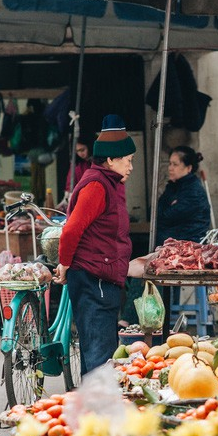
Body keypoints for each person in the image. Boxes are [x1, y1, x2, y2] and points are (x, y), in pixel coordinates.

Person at [55, 114, 135, 374]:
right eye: (128, 160)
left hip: (103, 275)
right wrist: (64, 263)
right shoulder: (97, 186)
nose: (131, 166)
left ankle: (95, 406)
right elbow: (71, 230)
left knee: (101, 349)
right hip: (93, 277)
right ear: (111, 160)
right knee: (99, 352)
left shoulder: (110, 182)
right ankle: (95, 409)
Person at [156, 146, 212, 246]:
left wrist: (167, 207)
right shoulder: (173, 186)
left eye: (175, 164)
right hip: (171, 245)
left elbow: (167, 216)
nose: (170, 168)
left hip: (188, 247)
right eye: (170, 164)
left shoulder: (193, 191)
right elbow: (155, 212)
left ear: (188, 168)